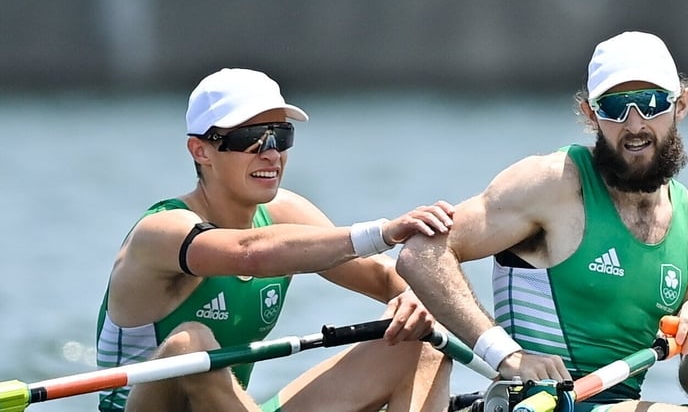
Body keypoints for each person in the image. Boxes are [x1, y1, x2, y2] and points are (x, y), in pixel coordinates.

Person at [396, 31, 688, 412]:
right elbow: (421, 253)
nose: (635, 124)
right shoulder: (552, 184)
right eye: (614, 107)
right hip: (539, 403)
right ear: (590, 114)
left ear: (682, 104)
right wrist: (507, 355)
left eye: (651, 102)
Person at [95, 67, 455, 412]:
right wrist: (383, 233)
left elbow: (383, 277)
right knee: (190, 344)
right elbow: (249, 253)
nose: (271, 153)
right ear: (200, 150)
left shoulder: (287, 213)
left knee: (424, 339)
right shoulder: (162, 230)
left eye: (280, 136)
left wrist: (412, 297)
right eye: (248, 138)